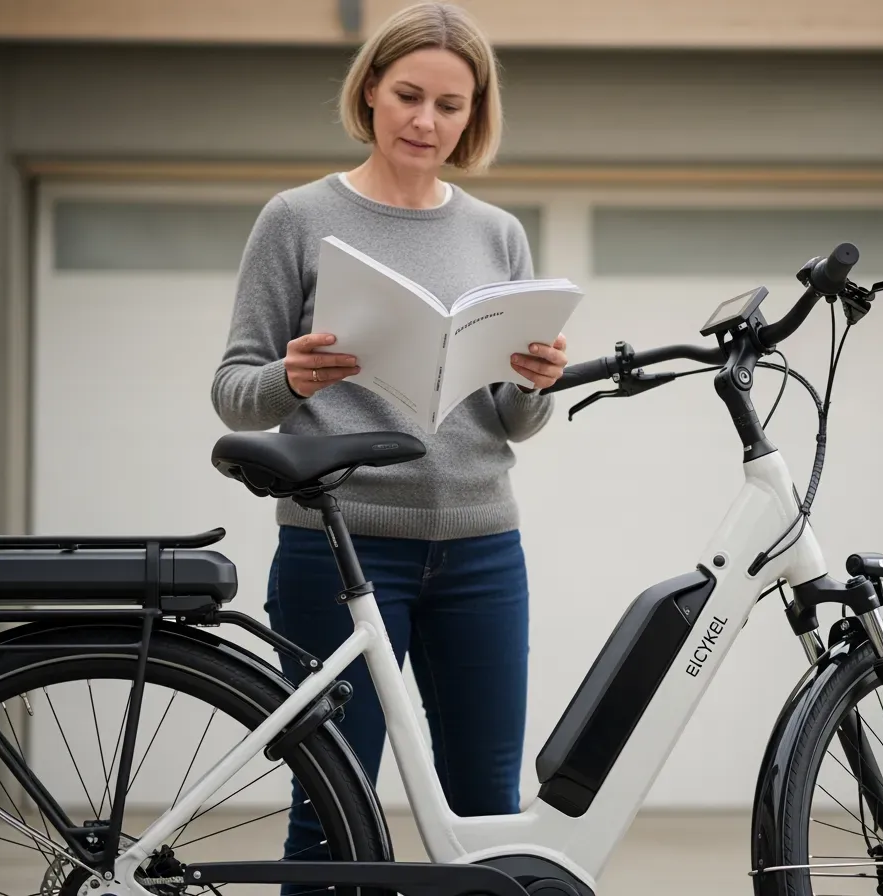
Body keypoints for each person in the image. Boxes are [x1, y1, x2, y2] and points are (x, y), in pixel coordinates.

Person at [210, 2, 567, 889]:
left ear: (472, 114)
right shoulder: (297, 219)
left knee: (487, 812)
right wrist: (291, 381)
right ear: (370, 89)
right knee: (331, 813)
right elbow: (234, 390)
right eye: (409, 95)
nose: (425, 121)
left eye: (451, 106)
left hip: (483, 548)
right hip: (339, 548)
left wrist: (532, 384)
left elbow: (514, 422)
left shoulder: (497, 233)